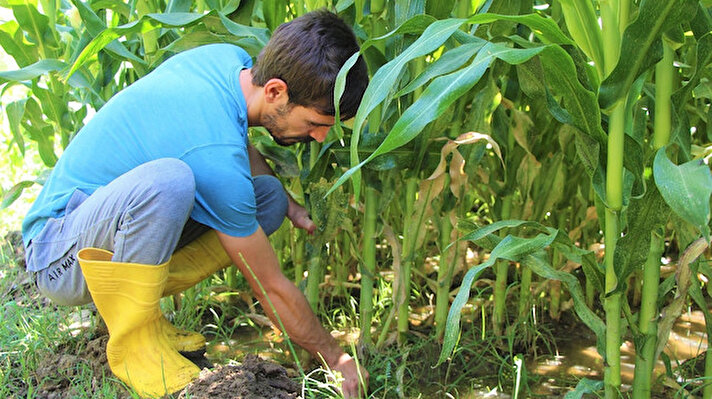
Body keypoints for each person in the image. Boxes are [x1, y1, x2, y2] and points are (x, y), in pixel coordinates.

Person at [21, 10, 369, 398]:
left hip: (102, 226)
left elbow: (233, 140)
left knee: (266, 200)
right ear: (275, 91)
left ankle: (141, 312)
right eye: (316, 122)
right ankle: (135, 343)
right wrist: (336, 358)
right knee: (169, 183)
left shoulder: (229, 62)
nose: (320, 137)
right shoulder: (214, 154)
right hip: (56, 256)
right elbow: (270, 286)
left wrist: (288, 203)